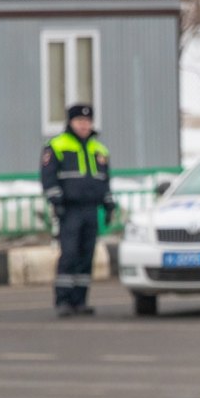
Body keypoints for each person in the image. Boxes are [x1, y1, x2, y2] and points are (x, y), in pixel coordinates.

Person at [40, 104, 115, 318]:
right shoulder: (57, 145)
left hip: (91, 209)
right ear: (70, 122)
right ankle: (63, 300)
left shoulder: (99, 150)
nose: (84, 125)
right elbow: (48, 177)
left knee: (86, 255)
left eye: (87, 121)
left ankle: (80, 300)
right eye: (79, 121)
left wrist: (108, 204)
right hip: (70, 210)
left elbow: (105, 181)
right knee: (70, 254)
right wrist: (56, 201)